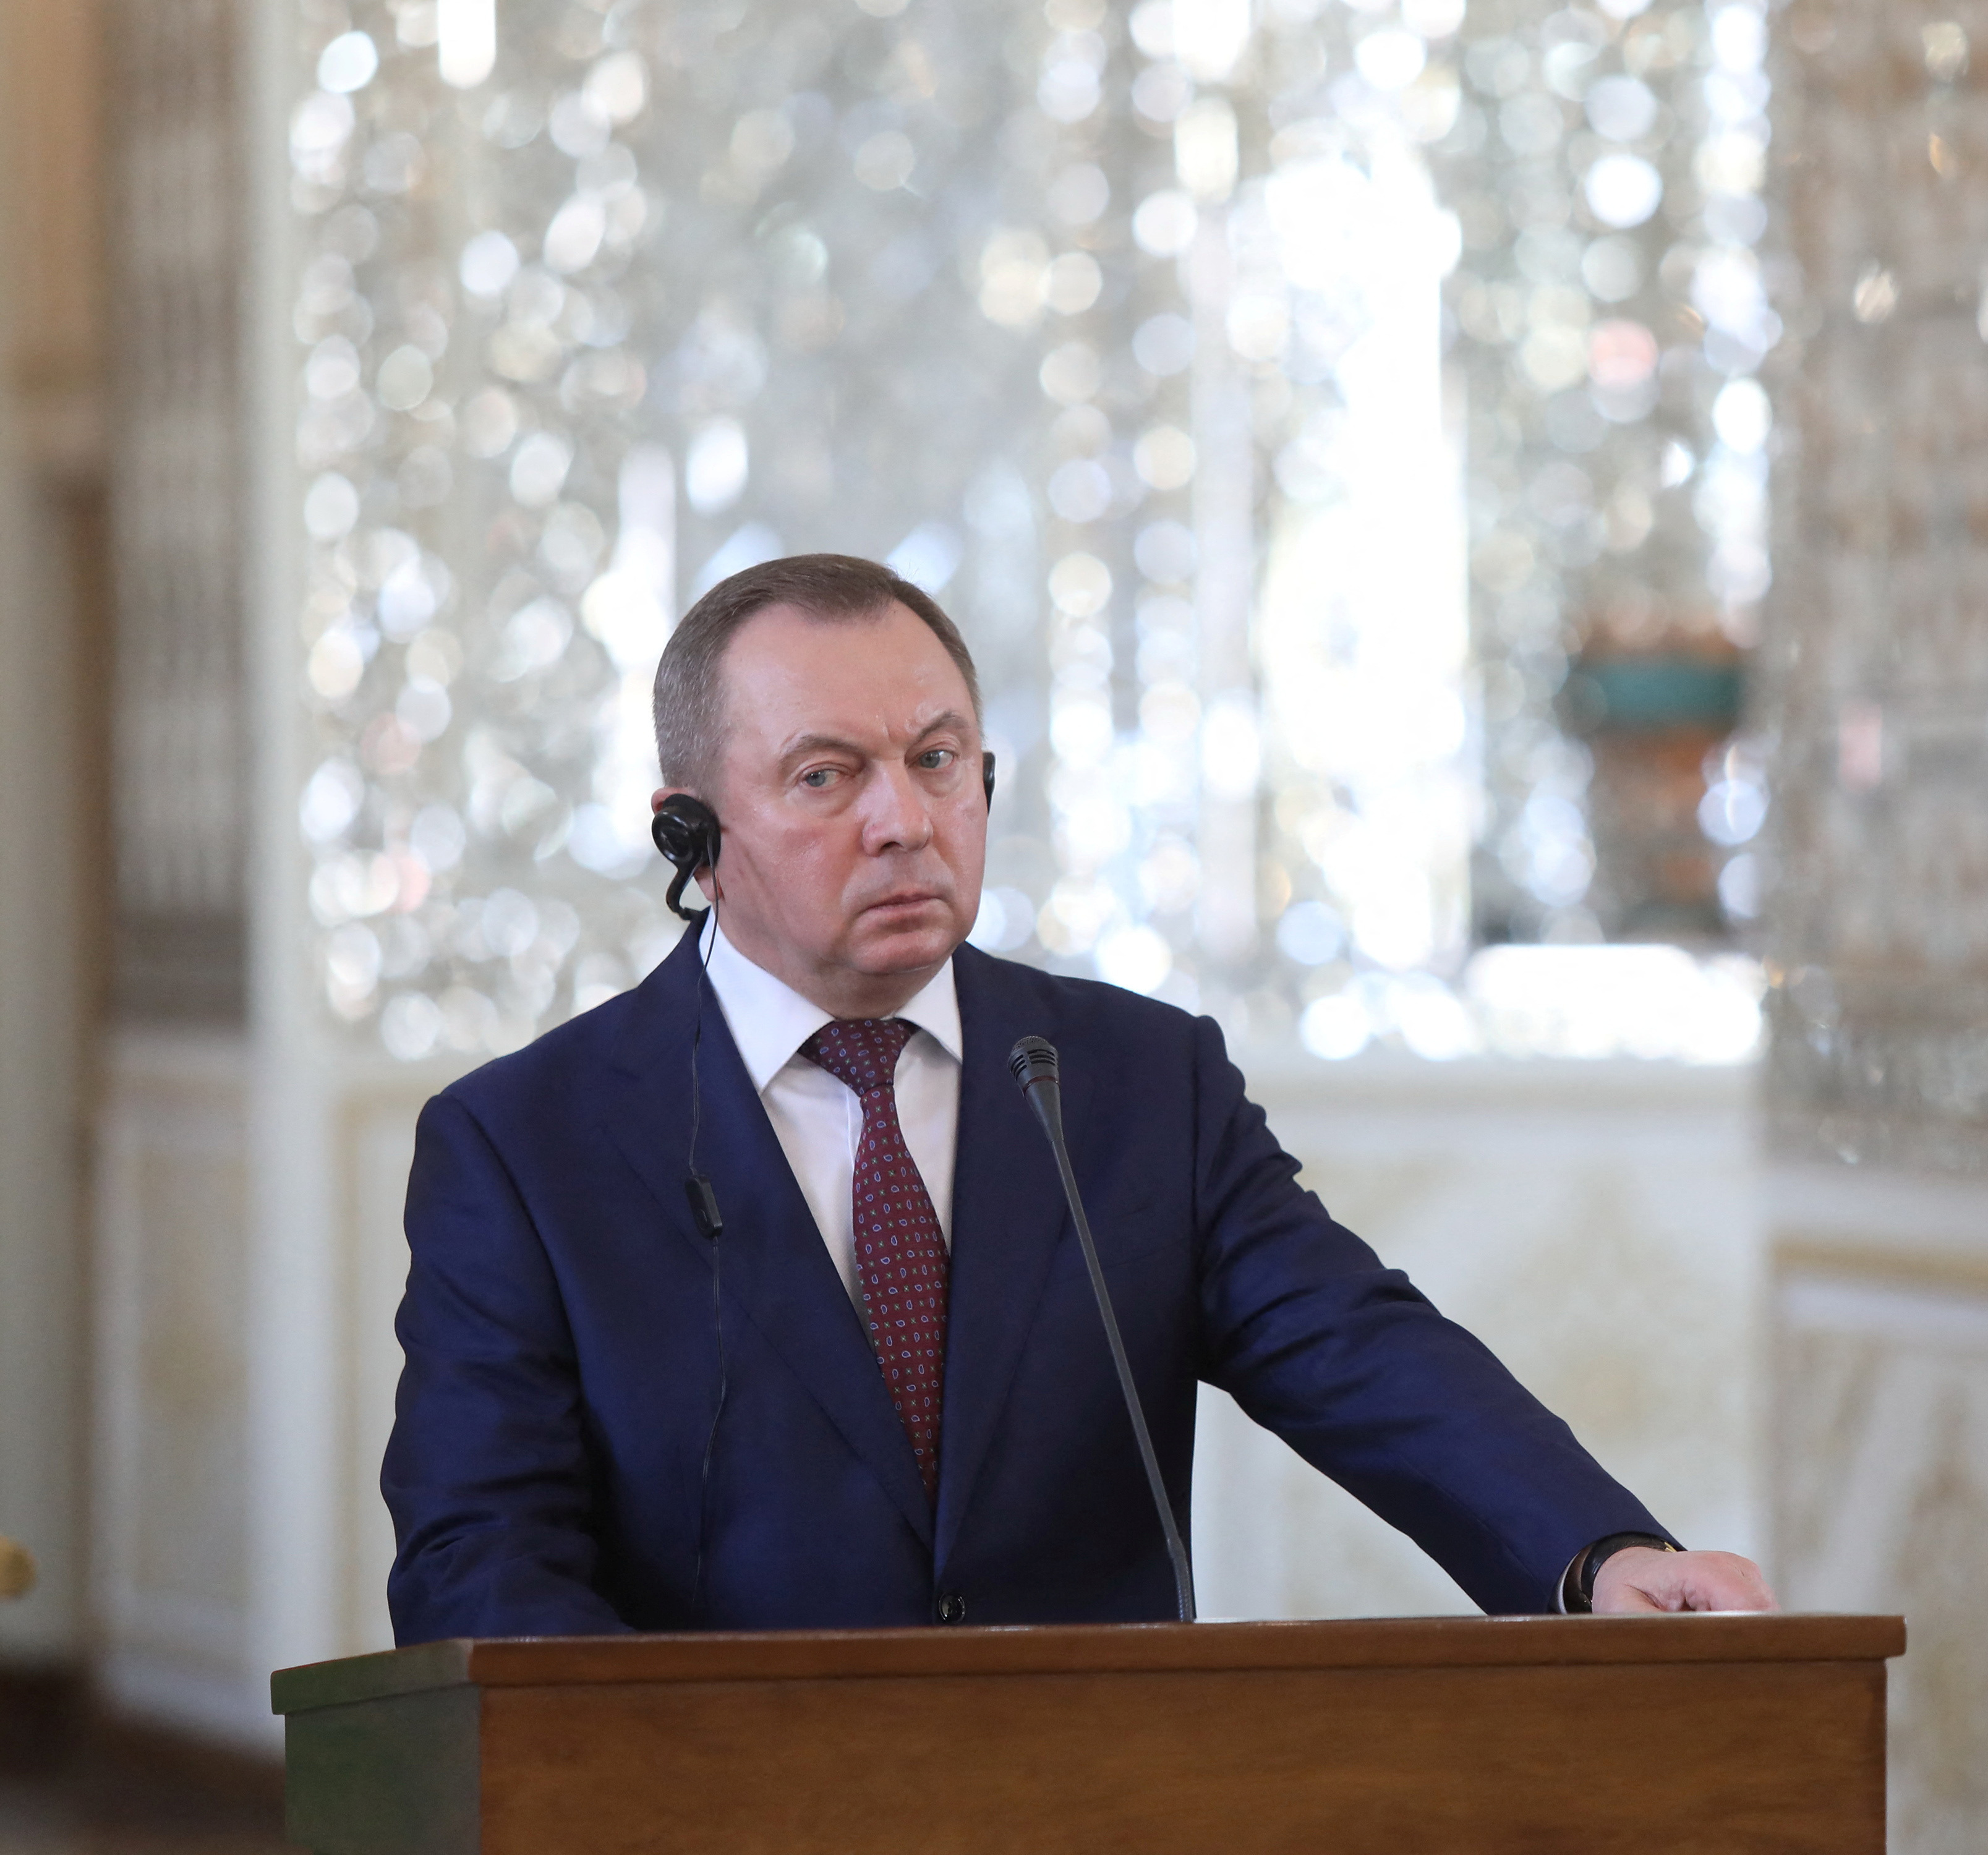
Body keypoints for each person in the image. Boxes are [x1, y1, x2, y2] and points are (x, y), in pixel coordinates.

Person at [383, 553, 1773, 1640]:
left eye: (938, 761)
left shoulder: (1127, 1084)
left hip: (1091, 1793)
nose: (904, 820)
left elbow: (1358, 1352)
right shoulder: (529, 1146)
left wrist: (1597, 1556)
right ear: (691, 834)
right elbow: (482, 1558)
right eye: (827, 776)